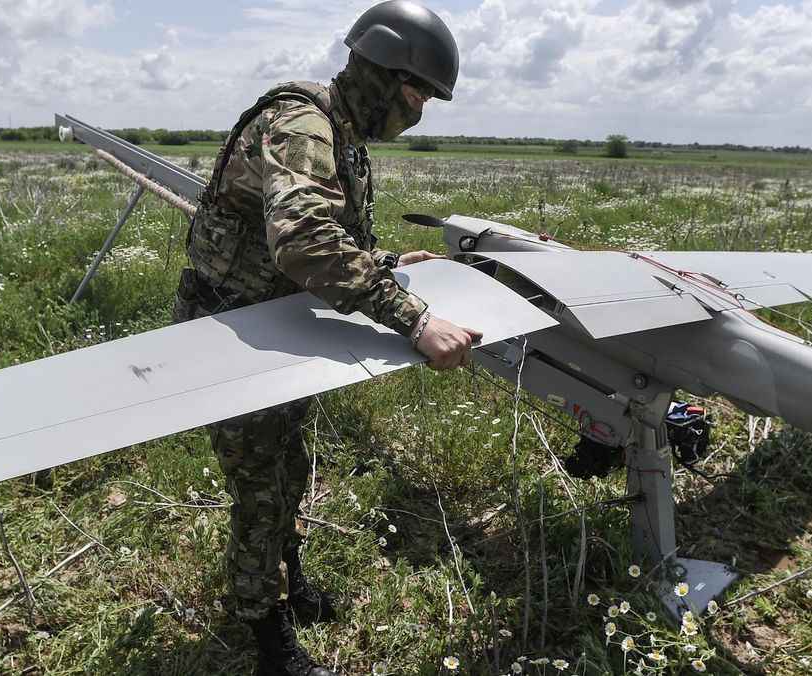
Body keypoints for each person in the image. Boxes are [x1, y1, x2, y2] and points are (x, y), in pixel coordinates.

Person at [172, 2, 478, 674]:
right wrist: (416, 319)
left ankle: (286, 579)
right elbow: (305, 241)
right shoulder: (305, 124)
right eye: (416, 92)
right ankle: (263, 631)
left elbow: (334, 237)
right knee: (260, 486)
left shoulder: (341, 131)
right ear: (383, 73)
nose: (419, 108)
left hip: (277, 321)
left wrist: (389, 263)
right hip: (231, 329)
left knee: (287, 464)